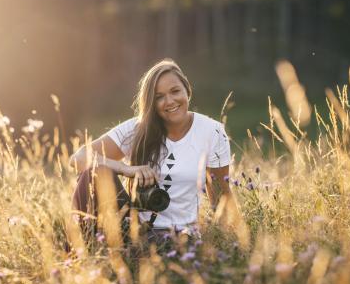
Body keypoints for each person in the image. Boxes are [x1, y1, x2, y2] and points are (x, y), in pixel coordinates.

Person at [69, 58, 232, 244]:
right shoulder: (138, 129)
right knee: (93, 173)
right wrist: (125, 169)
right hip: (132, 229)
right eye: (159, 97)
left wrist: (231, 247)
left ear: (187, 89)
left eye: (175, 91)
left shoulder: (212, 131)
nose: (169, 101)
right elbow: (77, 159)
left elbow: (222, 200)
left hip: (179, 238)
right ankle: (77, 257)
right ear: (151, 103)